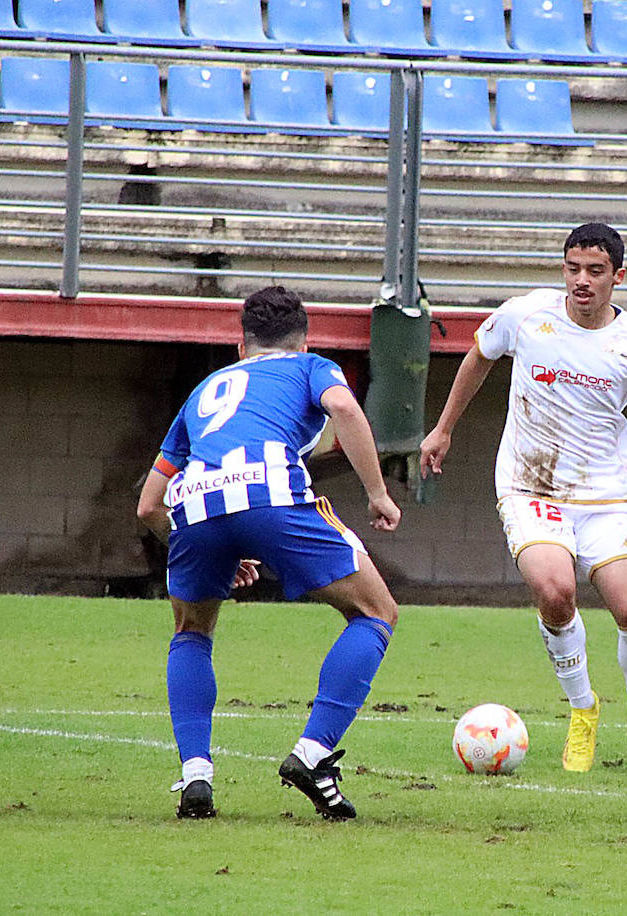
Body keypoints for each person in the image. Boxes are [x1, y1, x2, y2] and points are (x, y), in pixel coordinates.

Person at [419, 223, 627, 774]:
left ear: (618, 276)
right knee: (555, 589)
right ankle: (583, 710)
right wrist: (444, 428)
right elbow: (478, 356)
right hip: (530, 485)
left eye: (594, 271)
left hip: (610, 495)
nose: (581, 281)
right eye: (572, 269)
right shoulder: (527, 315)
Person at [136, 286, 402, 820]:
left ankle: (195, 775)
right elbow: (345, 407)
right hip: (271, 494)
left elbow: (147, 507)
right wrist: (377, 492)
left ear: (242, 347)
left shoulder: (205, 388)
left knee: (191, 632)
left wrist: (213, 547)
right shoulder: (310, 369)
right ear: (303, 344)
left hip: (194, 504)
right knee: (376, 612)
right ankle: (313, 753)